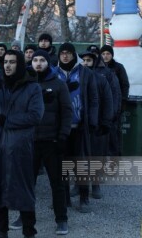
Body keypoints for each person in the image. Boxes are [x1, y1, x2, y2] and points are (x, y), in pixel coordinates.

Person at [0, 49, 44, 238]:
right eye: (5, 62)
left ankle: (29, 230)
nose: (7, 65)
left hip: (19, 146)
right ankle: (1, 230)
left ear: (19, 65)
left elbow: (35, 115)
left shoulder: (32, 87)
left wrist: (8, 120)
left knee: (22, 189)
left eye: (12, 62)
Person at [10, 50, 72, 235]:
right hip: (28, 142)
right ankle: (25, 217)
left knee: (57, 183)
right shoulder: (24, 83)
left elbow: (67, 112)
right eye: (35, 59)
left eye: (42, 60)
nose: (38, 63)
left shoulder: (59, 85)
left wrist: (62, 136)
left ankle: (61, 219)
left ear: (48, 62)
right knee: (27, 183)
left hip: (52, 141)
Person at [56, 42, 99, 213]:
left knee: (81, 164)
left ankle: (84, 198)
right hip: (59, 128)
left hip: (80, 126)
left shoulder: (85, 72)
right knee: (62, 164)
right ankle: (65, 199)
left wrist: (93, 120)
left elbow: (94, 98)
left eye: (68, 53)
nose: (65, 55)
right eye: (62, 53)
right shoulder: (53, 72)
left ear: (74, 55)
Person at [80, 51, 113, 199]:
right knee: (80, 156)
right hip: (81, 124)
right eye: (83, 60)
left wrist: (106, 122)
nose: (86, 63)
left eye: (89, 60)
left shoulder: (101, 79)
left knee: (96, 155)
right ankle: (79, 184)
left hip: (97, 124)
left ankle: (96, 184)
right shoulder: (76, 78)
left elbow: (108, 101)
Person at [100, 45, 129, 156]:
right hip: (102, 106)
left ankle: (115, 159)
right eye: (103, 54)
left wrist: (123, 102)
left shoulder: (118, 67)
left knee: (114, 134)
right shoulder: (99, 68)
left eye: (108, 54)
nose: (105, 56)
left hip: (115, 105)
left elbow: (124, 85)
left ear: (112, 55)